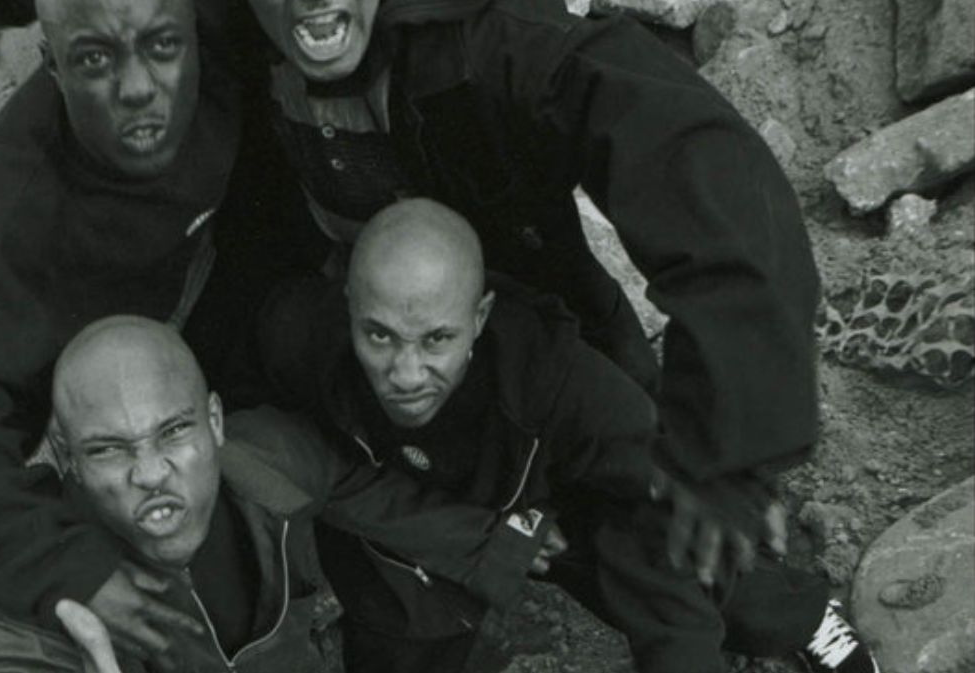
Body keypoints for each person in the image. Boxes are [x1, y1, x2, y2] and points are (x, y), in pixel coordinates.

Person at [0, 0, 537, 670]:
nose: (139, 89)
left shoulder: (259, 460)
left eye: (162, 47)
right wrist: (53, 562)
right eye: (96, 60)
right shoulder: (6, 213)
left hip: (242, 293)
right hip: (112, 352)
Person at [259, 198, 879, 673]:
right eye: (379, 336)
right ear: (348, 306)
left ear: (479, 318)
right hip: (426, 506)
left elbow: (666, 491)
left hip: (561, 499)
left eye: (437, 340)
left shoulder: (558, 379)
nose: (406, 374)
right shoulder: (296, 341)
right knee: (397, 619)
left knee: (686, 556)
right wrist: (484, 540)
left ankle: (797, 615)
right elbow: (286, 463)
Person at [0, 315, 555, 672]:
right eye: (109, 449)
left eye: (174, 431)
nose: (151, 472)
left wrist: (499, 544)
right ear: (69, 461)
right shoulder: (20, 606)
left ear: (215, 422)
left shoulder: (268, 459)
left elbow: (364, 488)